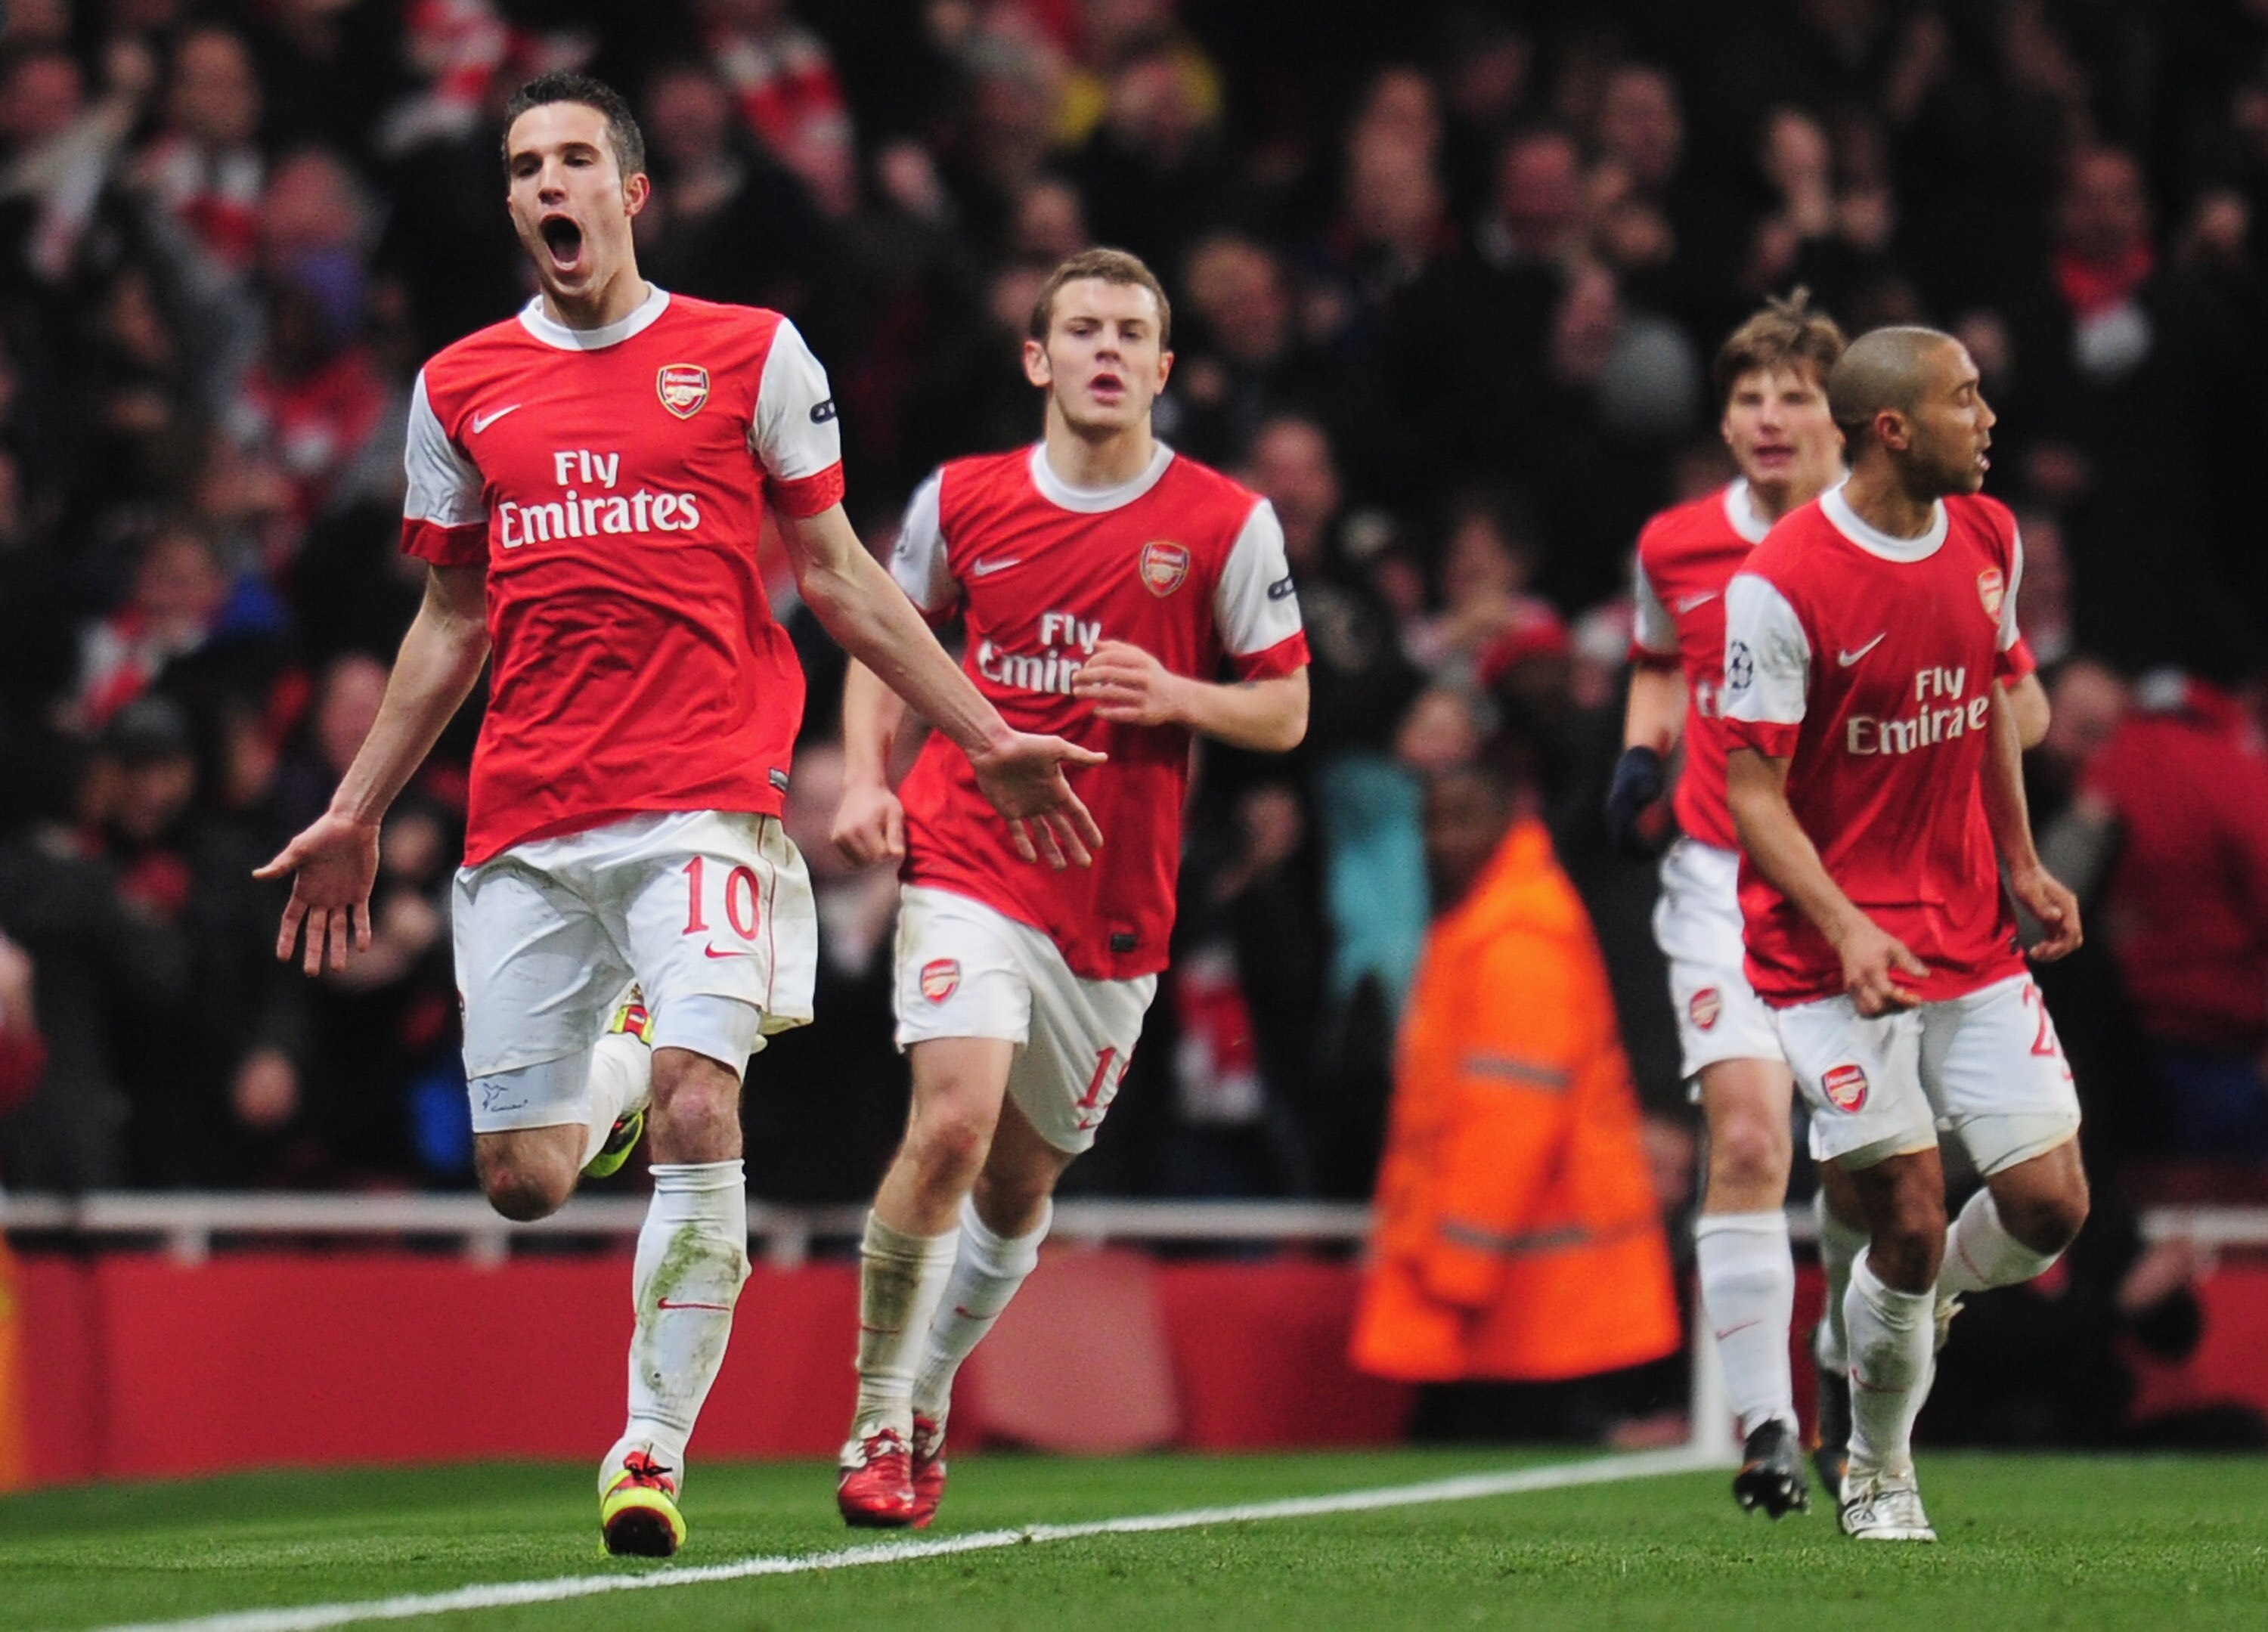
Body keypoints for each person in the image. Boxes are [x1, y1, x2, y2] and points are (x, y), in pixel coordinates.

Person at [253, 73, 1103, 1560]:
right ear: (514, 204)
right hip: (526, 809)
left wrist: (981, 732)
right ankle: (632, 1061)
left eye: (576, 157)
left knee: (710, 1106)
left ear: (632, 191)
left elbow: (838, 573)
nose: (548, 183)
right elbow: (451, 619)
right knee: (521, 1178)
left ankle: (648, 1448)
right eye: (525, 165)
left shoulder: (750, 354)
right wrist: (354, 805)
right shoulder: (460, 385)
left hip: (704, 796)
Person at [828, 246, 1309, 1528]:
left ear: (1163, 367)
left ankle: (929, 1389)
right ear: (1037, 359)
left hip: (1113, 911)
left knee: (1020, 1182)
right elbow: (885, 635)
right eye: (1080, 327)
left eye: (1130, 331)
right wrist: (871, 776)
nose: (1106, 348)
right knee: (950, 1123)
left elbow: (1288, 705)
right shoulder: (964, 499)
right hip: (970, 854)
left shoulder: (1224, 522)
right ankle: (877, 1412)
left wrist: (1180, 694)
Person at [1721, 325, 2091, 1542]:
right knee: (1914, 1218)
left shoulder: (1989, 534)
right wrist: (1847, 926)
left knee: (2049, 1207)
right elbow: (1752, 792)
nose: (1989, 418)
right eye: (1965, 398)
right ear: (1893, 429)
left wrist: (2024, 860)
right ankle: (1879, 1465)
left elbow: (1985, 695)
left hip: (1967, 933)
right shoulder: (1783, 581)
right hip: (1824, 957)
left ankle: (1904, 1310)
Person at [1608, 291, 1856, 1517]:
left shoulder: (1895, 539)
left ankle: (1848, 1367)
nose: (1769, 417)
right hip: (1719, 875)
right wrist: (1642, 754)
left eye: (1795, 395)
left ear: (1842, 417)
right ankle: (1766, 1427)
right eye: (1750, 396)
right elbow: (1661, 655)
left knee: (1867, 1169)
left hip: (1867, 885)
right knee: (1750, 1138)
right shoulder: (1675, 543)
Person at [1350, 739, 1681, 1435]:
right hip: (1531, 1289)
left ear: (1509, 818)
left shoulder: (1518, 931)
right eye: (1434, 821)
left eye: (1462, 819)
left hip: (1531, 1292)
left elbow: (1510, 1119)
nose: (1442, 841)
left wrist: (1457, 1268)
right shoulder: (1488, 920)